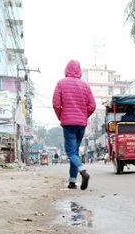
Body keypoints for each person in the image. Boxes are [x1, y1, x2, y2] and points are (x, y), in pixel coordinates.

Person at [52, 60, 96, 190]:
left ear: (66, 70)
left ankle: (83, 171)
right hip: (81, 124)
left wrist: (62, 116)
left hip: (68, 123)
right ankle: (72, 181)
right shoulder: (86, 86)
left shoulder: (61, 83)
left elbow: (56, 104)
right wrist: (84, 115)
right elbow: (92, 106)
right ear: (80, 71)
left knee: (71, 152)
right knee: (75, 152)